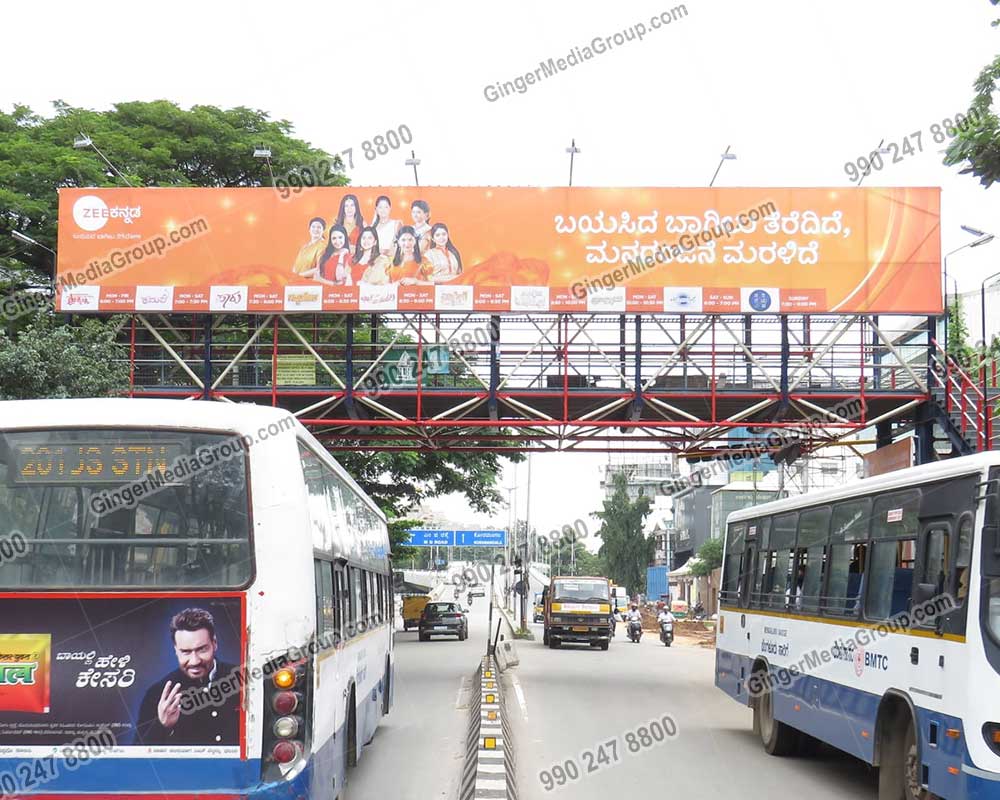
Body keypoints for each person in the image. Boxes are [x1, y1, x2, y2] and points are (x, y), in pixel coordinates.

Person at [135, 608, 240, 745]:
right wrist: (163, 725)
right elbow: (138, 756)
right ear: (176, 650)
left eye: (202, 649)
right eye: (186, 652)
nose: (195, 661)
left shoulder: (242, 679)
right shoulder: (156, 694)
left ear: (214, 643)